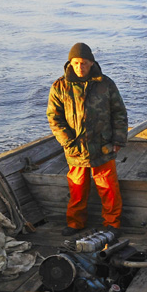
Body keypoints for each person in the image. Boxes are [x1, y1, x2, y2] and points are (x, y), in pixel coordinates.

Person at [47, 42, 128, 236]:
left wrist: (118, 141)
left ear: (91, 63)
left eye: (83, 63)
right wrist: (68, 141)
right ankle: (75, 223)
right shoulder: (60, 86)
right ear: (70, 63)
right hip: (75, 147)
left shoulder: (105, 84)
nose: (79, 67)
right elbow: (54, 116)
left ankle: (112, 224)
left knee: (108, 188)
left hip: (103, 145)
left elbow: (119, 113)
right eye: (75, 63)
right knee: (77, 188)